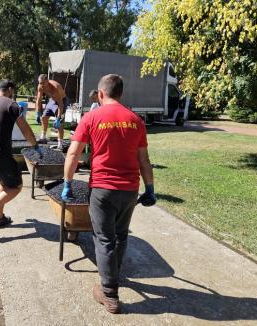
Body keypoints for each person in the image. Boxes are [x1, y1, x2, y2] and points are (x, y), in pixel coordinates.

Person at [62, 74, 157, 314]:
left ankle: (109, 293)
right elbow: (143, 159)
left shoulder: (91, 117)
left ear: (101, 94)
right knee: (121, 235)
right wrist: (150, 188)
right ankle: (113, 274)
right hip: (129, 189)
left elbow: (73, 154)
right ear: (121, 94)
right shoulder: (136, 120)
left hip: (103, 189)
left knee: (104, 239)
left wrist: (67, 182)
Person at [0, 79, 43, 232]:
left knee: (4, 183)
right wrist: (36, 146)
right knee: (16, 186)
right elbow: (25, 129)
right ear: (10, 89)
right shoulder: (11, 105)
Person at [35, 74, 69, 150]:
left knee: (59, 123)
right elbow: (39, 100)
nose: (41, 85)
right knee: (44, 117)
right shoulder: (40, 86)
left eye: (43, 83)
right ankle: (43, 138)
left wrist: (58, 118)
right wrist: (37, 112)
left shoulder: (55, 87)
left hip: (62, 101)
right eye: (40, 83)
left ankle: (60, 144)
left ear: (47, 81)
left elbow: (60, 104)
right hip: (52, 100)